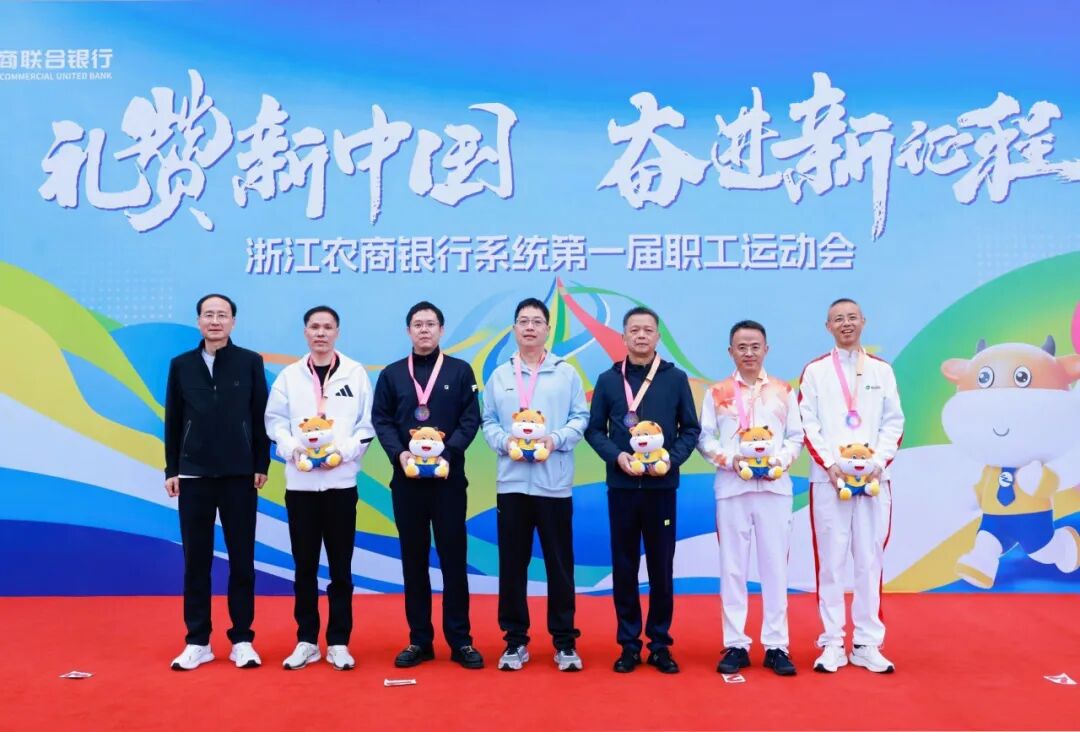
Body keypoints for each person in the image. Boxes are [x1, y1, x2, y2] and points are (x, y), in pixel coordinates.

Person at [584, 306, 701, 674]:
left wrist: (671, 459)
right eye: (634, 330)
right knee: (624, 566)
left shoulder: (675, 379)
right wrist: (617, 456)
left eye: (647, 330)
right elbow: (594, 430)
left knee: (661, 567)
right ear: (623, 337)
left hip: (661, 488)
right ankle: (629, 645)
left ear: (657, 336)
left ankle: (660, 644)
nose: (640, 335)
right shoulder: (608, 380)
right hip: (622, 486)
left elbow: (690, 430)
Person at [372, 301, 484, 670]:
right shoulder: (392, 374)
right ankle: (419, 640)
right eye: (418, 324)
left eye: (431, 324)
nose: (424, 330)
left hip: (448, 481)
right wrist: (399, 454)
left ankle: (461, 640)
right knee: (414, 560)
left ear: (441, 329)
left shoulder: (459, 370)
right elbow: (382, 420)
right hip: (407, 483)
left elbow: (471, 418)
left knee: (453, 559)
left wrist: (449, 453)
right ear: (409, 331)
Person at [481, 297, 589, 672]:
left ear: (547, 329)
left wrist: (555, 440)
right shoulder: (500, 376)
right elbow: (488, 421)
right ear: (514, 329)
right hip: (512, 484)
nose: (529, 327)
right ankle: (515, 641)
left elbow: (581, 417)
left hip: (553, 484)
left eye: (536, 321)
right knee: (512, 566)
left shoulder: (566, 373)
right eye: (523, 321)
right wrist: (505, 443)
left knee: (560, 566)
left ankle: (565, 642)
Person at [265, 305, 375, 671]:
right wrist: (291, 449)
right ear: (305, 332)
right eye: (315, 327)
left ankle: (339, 642)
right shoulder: (290, 376)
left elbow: (366, 425)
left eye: (328, 327)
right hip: (300, 487)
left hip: (341, 485)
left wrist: (343, 453)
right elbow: (274, 421)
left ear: (337, 332)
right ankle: (307, 641)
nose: (321, 333)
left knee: (341, 568)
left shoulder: (355, 373)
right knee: (304, 568)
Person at [798, 298, 904, 674]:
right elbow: (808, 422)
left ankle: (866, 643)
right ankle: (832, 642)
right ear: (828, 326)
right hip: (830, 482)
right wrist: (830, 465)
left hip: (874, 482)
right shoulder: (815, 371)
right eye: (838, 319)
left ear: (863, 322)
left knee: (869, 561)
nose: (846, 324)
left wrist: (877, 464)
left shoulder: (881, 371)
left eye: (852, 318)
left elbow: (894, 422)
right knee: (831, 562)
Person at [164, 293, 270, 671]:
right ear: (198, 321)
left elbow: (259, 417)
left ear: (233, 322)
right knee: (196, 561)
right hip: (194, 475)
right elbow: (174, 420)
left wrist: (261, 463)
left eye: (222, 315)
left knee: (242, 561)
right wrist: (172, 469)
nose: (215, 321)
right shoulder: (181, 365)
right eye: (208, 315)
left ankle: (242, 639)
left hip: (240, 475)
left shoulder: (249, 362)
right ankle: (198, 641)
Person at [697, 320, 802, 677]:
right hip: (732, 489)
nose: (749, 353)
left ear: (766, 349)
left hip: (774, 488)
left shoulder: (783, 391)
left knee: (775, 567)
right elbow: (705, 439)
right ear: (731, 352)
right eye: (741, 347)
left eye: (755, 346)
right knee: (733, 568)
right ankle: (736, 644)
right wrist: (732, 461)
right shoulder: (717, 392)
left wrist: (779, 462)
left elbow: (796, 436)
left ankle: (776, 645)